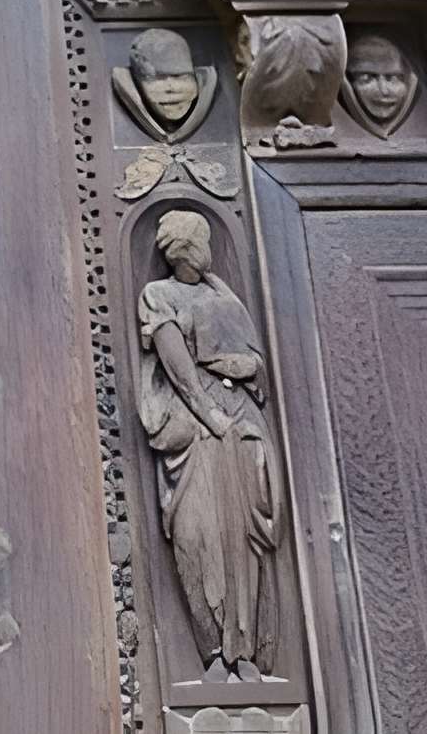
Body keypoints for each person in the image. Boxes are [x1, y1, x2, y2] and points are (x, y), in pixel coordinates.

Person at [136, 210, 282, 678]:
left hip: (243, 424)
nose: (204, 249)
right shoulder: (159, 295)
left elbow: (253, 362)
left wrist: (229, 367)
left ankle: (246, 650)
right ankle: (212, 652)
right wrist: (213, 416)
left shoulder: (224, 295)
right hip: (198, 431)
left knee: (243, 535)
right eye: (198, 239)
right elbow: (180, 370)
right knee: (197, 533)